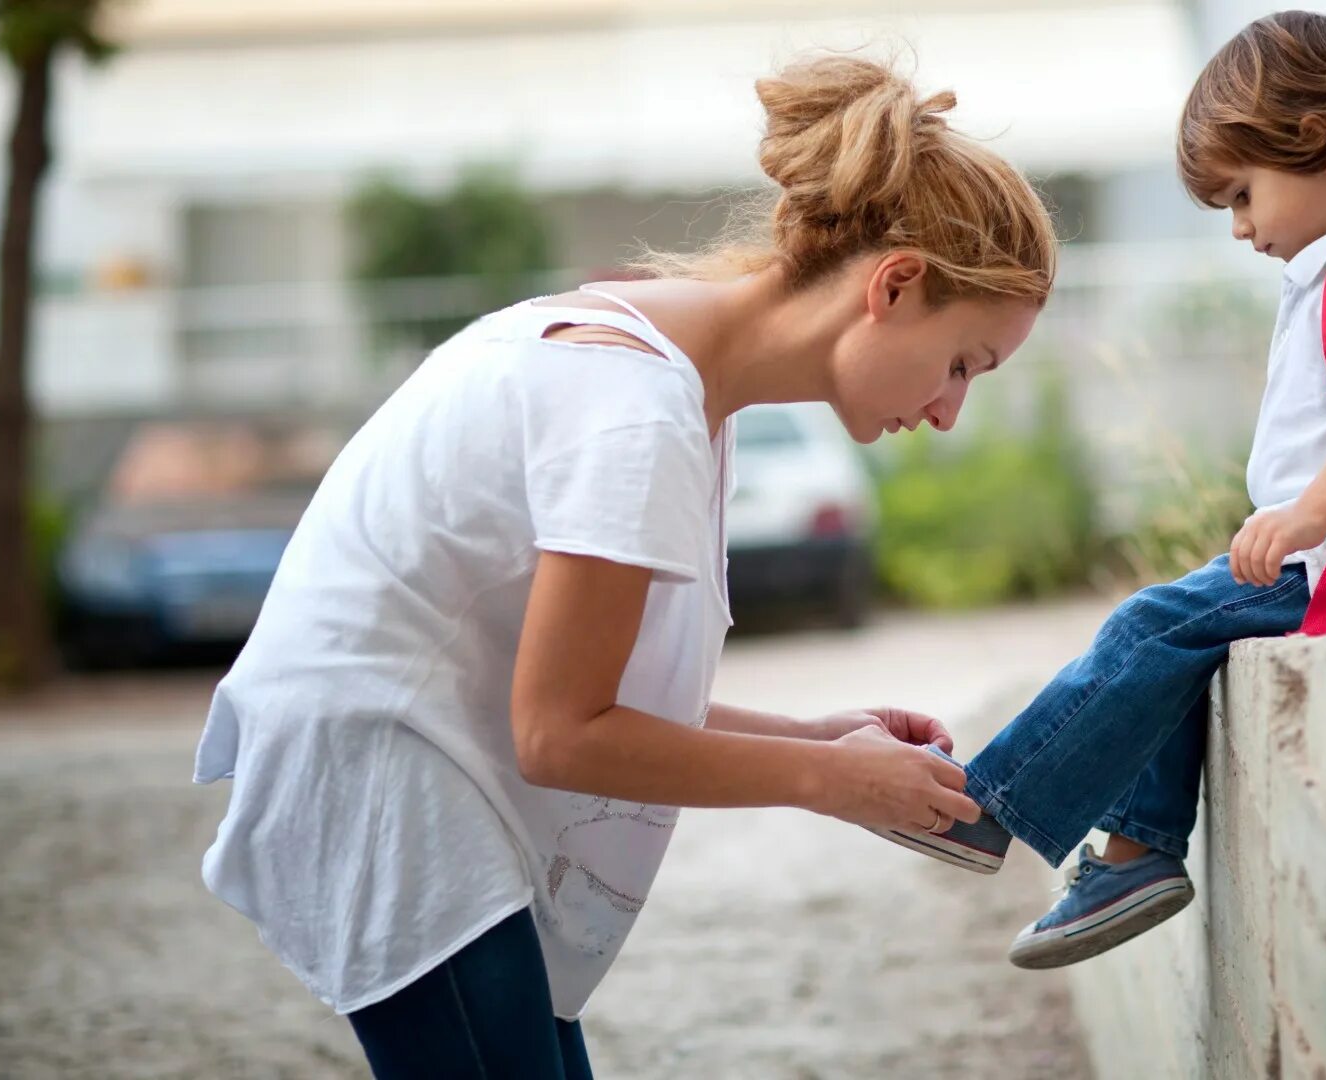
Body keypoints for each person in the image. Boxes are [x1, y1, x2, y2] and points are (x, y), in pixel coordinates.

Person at [191, 54, 1056, 1078]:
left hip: (432, 775)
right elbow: (561, 733)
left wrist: (818, 733)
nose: (952, 410)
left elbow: (580, 693)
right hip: (389, 796)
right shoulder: (633, 404)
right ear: (896, 282)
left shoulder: (670, 381)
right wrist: (828, 778)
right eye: (963, 362)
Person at [870, 10, 1326, 970]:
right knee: (1178, 648)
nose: (1239, 227)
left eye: (1242, 193)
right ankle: (1136, 853)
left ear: (1312, 143)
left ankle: (985, 809)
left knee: (1149, 625)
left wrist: (1313, 511)